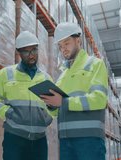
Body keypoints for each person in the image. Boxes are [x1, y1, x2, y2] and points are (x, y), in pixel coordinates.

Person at [40, 22, 108, 160]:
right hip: (65, 141)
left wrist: (63, 102)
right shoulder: (63, 75)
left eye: (66, 43)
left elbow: (99, 100)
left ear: (78, 40)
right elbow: (56, 111)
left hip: (89, 140)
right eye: (60, 46)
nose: (63, 49)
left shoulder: (95, 64)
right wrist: (51, 104)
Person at [0, 31, 53, 160]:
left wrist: (48, 118)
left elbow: (54, 105)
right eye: (26, 52)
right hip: (15, 137)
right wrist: (7, 113)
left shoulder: (45, 78)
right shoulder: (6, 74)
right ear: (18, 53)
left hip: (39, 139)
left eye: (34, 50)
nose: (31, 55)